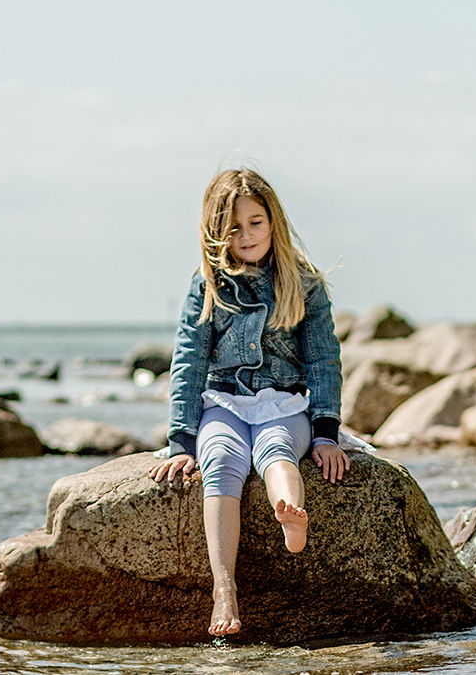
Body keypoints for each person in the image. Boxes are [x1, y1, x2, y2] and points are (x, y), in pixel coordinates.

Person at [147, 167, 349, 637]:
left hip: (285, 404)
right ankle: (224, 588)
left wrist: (325, 434)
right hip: (226, 402)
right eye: (233, 227)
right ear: (217, 233)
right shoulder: (208, 285)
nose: (246, 235)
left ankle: (289, 516)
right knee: (219, 459)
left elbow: (323, 359)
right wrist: (181, 441)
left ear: (273, 219)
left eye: (255, 222)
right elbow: (188, 363)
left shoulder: (303, 282)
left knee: (277, 449)